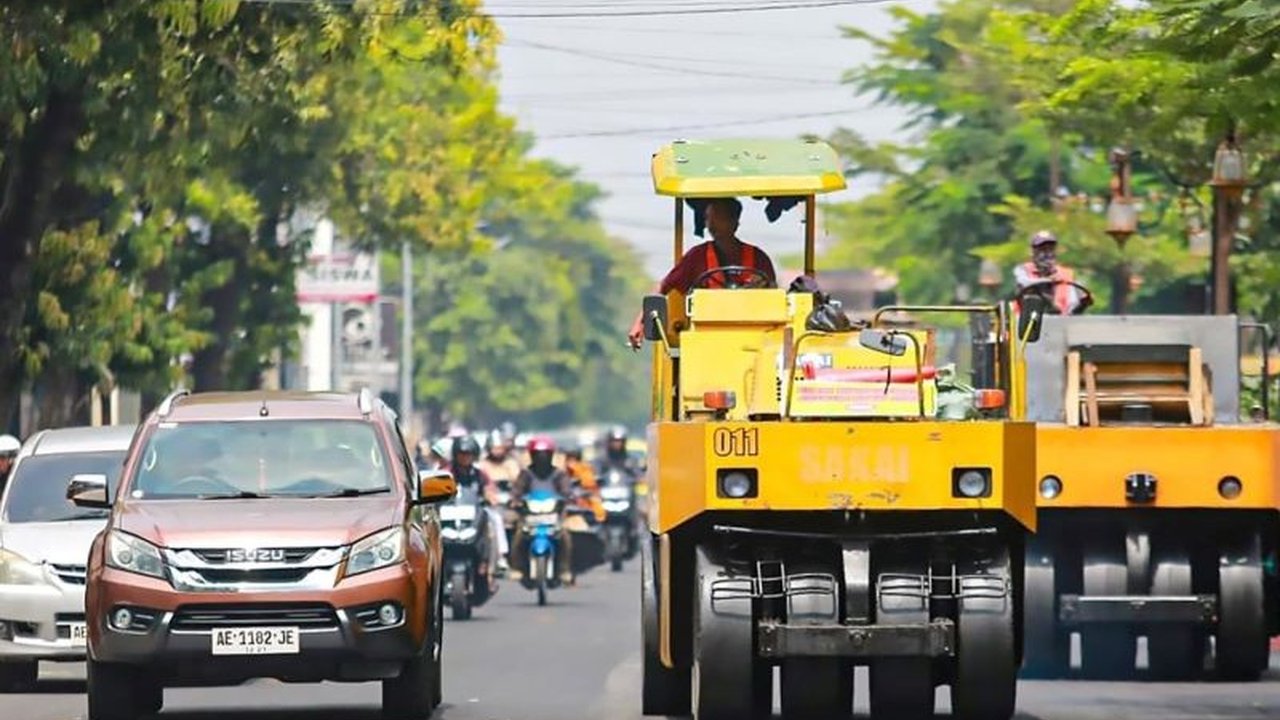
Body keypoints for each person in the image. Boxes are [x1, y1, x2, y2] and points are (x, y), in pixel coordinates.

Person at [628, 197, 778, 348]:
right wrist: (640, 323)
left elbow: (774, 296)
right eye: (708, 219)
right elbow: (662, 287)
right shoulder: (696, 256)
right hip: (704, 337)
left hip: (754, 338)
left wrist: (758, 288)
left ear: (735, 223)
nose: (711, 225)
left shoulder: (759, 258)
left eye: (718, 217)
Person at [510, 436, 575, 584]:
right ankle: (517, 566)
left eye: (545, 455)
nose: (542, 458)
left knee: (564, 535)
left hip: (553, 516)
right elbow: (516, 491)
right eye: (538, 455)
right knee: (519, 535)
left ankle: (564, 568)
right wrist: (515, 500)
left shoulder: (558, 474)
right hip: (531, 516)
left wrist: (567, 498)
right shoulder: (526, 474)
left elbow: (567, 490)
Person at [449, 436, 504, 591]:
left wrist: (491, 496)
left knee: (493, 523)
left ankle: (491, 567)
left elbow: (489, 489)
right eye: (461, 453)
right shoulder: (446, 473)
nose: (465, 457)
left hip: (474, 514)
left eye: (468, 454)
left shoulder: (480, 474)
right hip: (449, 515)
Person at [1013, 230, 1090, 315]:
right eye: (1043, 250)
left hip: (1061, 322)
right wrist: (1047, 280)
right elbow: (1024, 283)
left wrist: (1082, 303)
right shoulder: (1023, 270)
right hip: (1028, 323)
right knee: (1032, 292)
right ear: (1033, 252)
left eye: (1051, 249)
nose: (1048, 254)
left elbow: (1074, 300)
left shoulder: (1067, 274)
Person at [563, 445, 605, 523]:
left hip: (583, 500)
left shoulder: (586, 469)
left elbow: (590, 484)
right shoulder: (561, 471)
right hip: (567, 501)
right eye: (569, 459)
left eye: (574, 459)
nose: (572, 462)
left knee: (596, 503)